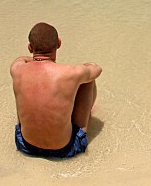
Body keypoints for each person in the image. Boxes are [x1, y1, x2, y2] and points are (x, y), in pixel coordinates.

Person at [10, 22, 102, 158]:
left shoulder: (17, 69)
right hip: (64, 149)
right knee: (87, 80)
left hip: (26, 145)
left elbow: (20, 59)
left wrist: (36, 60)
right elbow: (97, 69)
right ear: (59, 43)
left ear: (30, 47)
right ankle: (84, 121)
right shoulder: (71, 73)